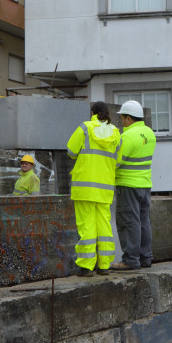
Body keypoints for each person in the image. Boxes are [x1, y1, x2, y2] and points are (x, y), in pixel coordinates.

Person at [66, 101, 121, 277]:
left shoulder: (85, 128)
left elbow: (71, 151)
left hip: (85, 187)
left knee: (86, 226)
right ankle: (104, 265)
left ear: (93, 113)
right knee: (104, 226)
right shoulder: (116, 133)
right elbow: (118, 161)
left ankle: (87, 267)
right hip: (105, 187)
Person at [111, 100, 157, 271]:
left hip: (128, 184)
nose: (121, 121)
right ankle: (146, 257)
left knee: (129, 222)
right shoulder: (149, 133)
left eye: (122, 118)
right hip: (144, 184)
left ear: (129, 118)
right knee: (143, 221)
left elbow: (115, 162)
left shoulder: (127, 137)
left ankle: (130, 259)